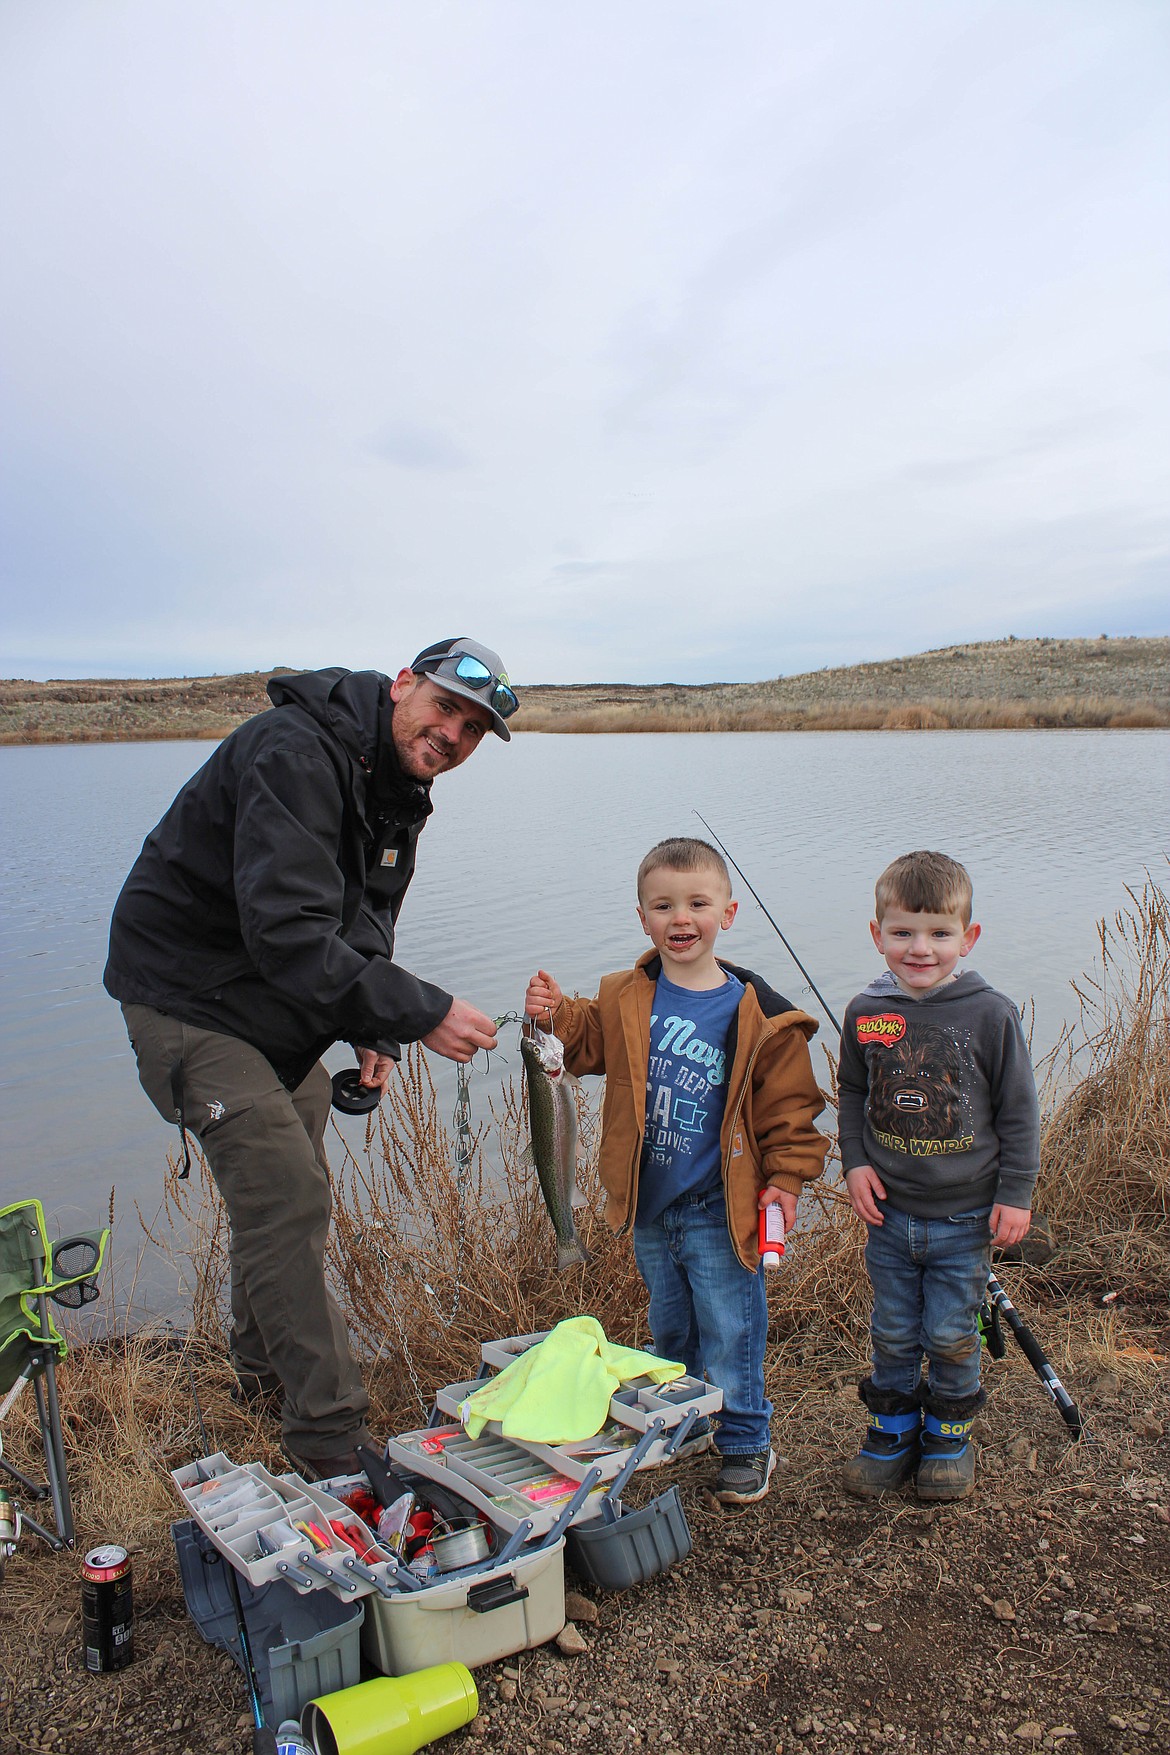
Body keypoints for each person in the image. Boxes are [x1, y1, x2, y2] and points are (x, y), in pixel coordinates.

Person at [104, 637, 519, 1479]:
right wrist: (424, 1009)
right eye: (445, 707)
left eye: (472, 729)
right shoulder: (296, 752)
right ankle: (329, 1437)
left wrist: (377, 1027)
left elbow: (363, 919)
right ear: (404, 684)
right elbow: (289, 932)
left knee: (289, 1180)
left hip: (264, 999)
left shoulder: (399, 783)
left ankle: (260, 1379)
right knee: (286, 1194)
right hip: (188, 996)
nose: (451, 734)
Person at [525, 836, 828, 1504]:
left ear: (729, 911)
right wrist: (554, 1012)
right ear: (642, 917)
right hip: (652, 1207)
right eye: (663, 905)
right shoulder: (626, 995)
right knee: (672, 1330)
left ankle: (747, 1441)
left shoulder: (757, 1014)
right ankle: (687, 1419)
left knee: (731, 1329)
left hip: (723, 1207)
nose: (680, 917)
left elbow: (791, 1110)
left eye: (697, 902)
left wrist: (787, 1178)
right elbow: (583, 1041)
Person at [837, 849, 1039, 1502]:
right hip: (890, 1217)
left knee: (952, 1332)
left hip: (965, 1218)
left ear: (967, 937)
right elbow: (850, 1093)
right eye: (902, 932)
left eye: (938, 933)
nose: (920, 948)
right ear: (877, 935)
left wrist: (1015, 1194)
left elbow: (1019, 1112)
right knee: (893, 1328)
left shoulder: (991, 1013)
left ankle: (949, 1433)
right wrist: (856, 1161)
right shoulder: (865, 1010)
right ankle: (892, 1429)